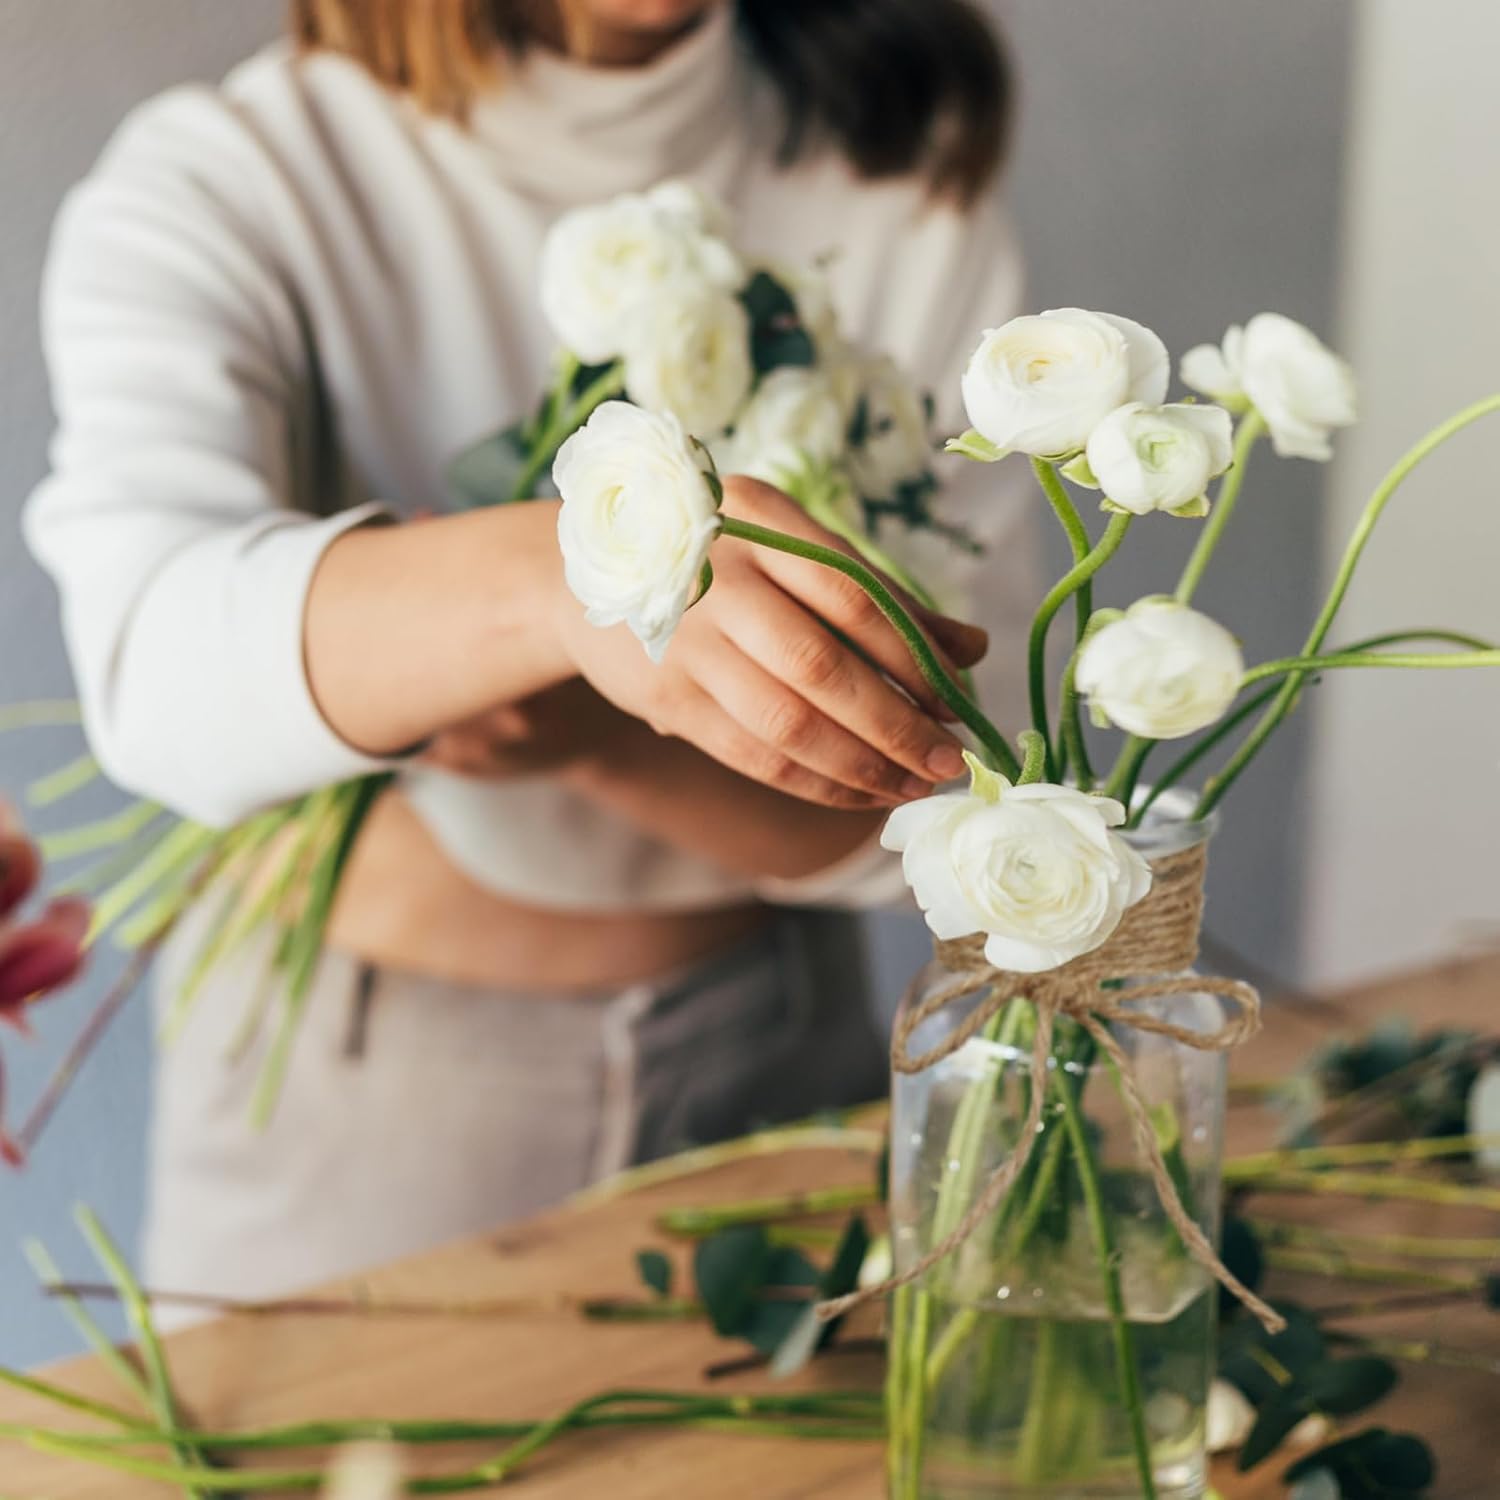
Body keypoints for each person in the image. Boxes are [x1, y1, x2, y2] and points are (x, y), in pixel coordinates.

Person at [24, 0, 1035, 1303]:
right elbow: (154, 667)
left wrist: (601, 729)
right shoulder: (238, 177)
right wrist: (571, 586)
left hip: (784, 1056)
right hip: (363, 1110)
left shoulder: (894, 167)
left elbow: (976, 781)